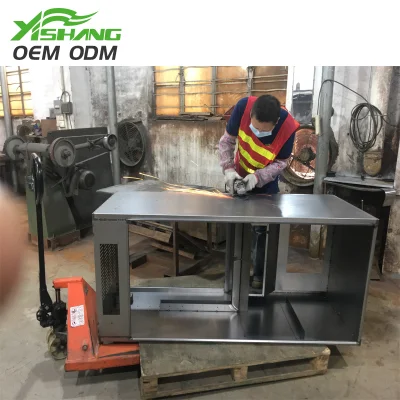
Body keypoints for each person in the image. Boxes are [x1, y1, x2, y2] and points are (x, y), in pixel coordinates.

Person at [218, 95, 298, 289]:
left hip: (266, 184)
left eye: (264, 131)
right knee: (236, 225)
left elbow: (281, 163)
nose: (258, 133)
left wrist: (258, 178)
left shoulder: (288, 128)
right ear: (251, 115)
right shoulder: (243, 107)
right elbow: (226, 142)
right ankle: (235, 272)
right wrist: (229, 169)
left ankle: (259, 275)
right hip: (238, 175)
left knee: (261, 231)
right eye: (255, 128)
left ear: (276, 123)